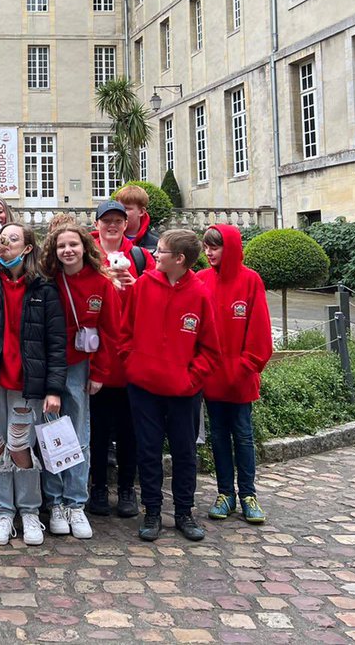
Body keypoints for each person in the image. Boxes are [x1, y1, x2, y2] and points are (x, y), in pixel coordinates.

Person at [0, 222, 66, 548]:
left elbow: (56, 342)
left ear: (27, 248)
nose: (5, 243)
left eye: (13, 239)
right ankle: (3, 511)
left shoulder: (43, 288)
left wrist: (54, 388)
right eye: (3, 238)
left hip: (25, 382)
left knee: (20, 446)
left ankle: (29, 511)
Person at [117, 229, 220, 543]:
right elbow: (125, 333)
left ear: (179, 259)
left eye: (160, 251)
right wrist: (133, 366)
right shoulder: (144, 285)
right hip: (144, 388)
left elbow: (210, 349)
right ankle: (151, 510)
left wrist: (190, 379)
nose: (154, 255)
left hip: (184, 393)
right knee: (148, 452)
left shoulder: (200, 293)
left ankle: (184, 512)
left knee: (184, 453)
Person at [39, 223, 121, 539]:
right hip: (51, 365)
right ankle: (55, 501)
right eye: (62, 246)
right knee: (51, 435)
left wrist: (99, 373)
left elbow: (111, 332)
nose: (68, 251)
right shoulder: (49, 281)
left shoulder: (101, 283)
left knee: (79, 434)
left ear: (84, 247)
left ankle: (76, 502)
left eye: (73, 245)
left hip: (81, 366)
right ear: (54, 251)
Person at [198, 225, 273, 525]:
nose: (208, 253)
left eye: (214, 247)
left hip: (240, 378)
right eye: (206, 247)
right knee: (217, 436)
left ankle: (248, 494)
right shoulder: (201, 280)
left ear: (229, 248)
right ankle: (225, 493)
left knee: (243, 435)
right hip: (212, 377)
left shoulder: (250, 280)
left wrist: (247, 365)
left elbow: (259, 330)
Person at [92, 200, 155, 288]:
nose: (112, 225)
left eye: (118, 221)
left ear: (125, 225)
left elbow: (156, 290)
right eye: (106, 221)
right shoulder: (87, 255)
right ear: (96, 225)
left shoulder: (141, 256)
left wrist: (137, 284)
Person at [115, 184, 159, 252]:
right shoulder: (105, 239)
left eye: (126, 209)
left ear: (141, 212)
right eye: (119, 208)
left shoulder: (156, 243)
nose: (120, 212)